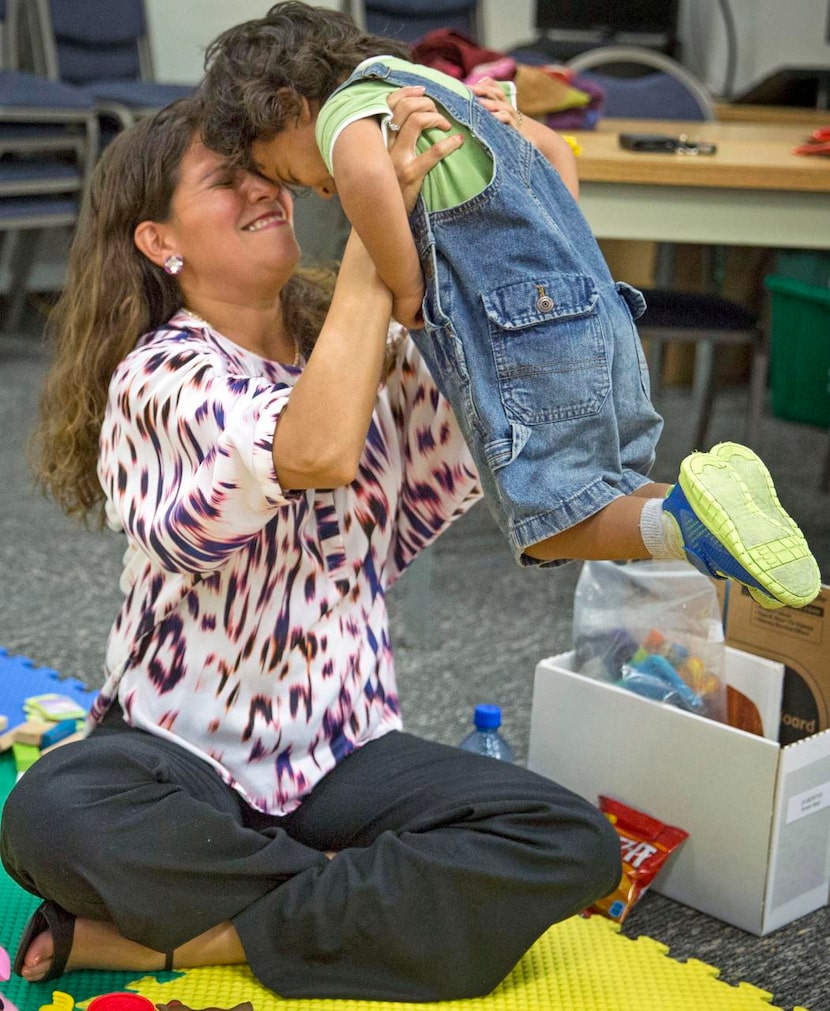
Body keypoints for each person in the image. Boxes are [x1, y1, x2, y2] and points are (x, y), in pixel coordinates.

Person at [1, 94, 623, 1002]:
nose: (267, 194)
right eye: (226, 182)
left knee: (573, 842)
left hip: (343, 750)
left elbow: (513, 369)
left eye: (269, 177)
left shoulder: (358, 337)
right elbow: (313, 448)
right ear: (158, 241)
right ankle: (373, 890)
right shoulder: (161, 373)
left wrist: (512, 159)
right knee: (48, 814)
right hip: (179, 754)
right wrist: (378, 238)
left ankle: (178, 941)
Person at [198, 1, 820, 611]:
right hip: (598, 308)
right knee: (611, 492)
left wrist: (408, 286)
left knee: (550, 522)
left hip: (525, 328)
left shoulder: (347, 106)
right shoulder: (447, 89)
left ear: (285, 106)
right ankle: (720, 507)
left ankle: (690, 524)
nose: (318, 188)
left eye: (295, 175)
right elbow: (551, 155)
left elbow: (363, 178)